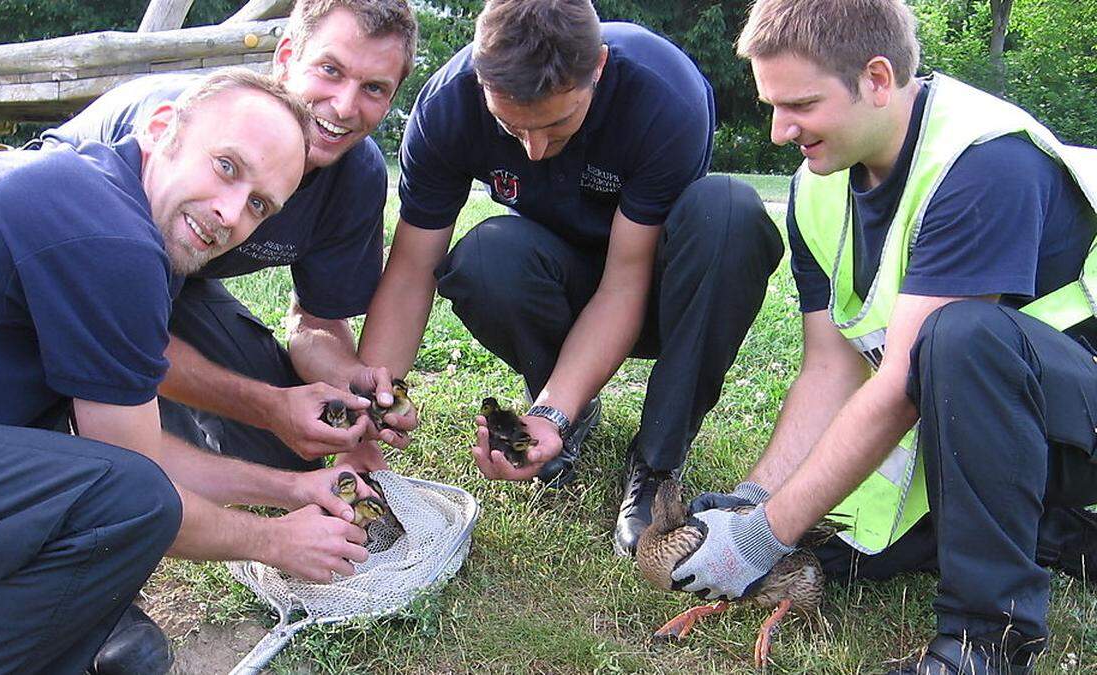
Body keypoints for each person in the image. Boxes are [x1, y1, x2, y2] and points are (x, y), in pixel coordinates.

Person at [0, 69, 372, 674]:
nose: (230, 214)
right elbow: (140, 492)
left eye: (259, 205)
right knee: (130, 505)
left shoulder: (98, 190)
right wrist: (275, 542)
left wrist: (294, 489)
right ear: (159, 129)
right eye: (227, 166)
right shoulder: (110, 238)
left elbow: (135, 452)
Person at [671, 1, 1097, 672]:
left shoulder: (984, 161)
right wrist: (757, 497)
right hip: (1004, 426)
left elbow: (902, 381)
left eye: (801, 104)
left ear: (876, 77)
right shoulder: (818, 186)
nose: (780, 131)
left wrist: (760, 536)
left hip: (1079, 419)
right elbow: (829, 371)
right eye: (772, 105)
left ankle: (984, 645)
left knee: (961, 336)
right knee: (839, 553)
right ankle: (1055, 530)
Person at [356, 0, 782, 557]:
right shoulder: (448, 106)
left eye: (556, 122)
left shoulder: (664, 95)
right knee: (486, 257)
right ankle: (565, 417)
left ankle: (657, 462)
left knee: (729, 212)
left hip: (657, 288)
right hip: (559, 279)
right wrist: (367, 419)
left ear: (598, 68)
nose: (532, 148)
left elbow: (625, 280)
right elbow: (412, 267)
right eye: (511, 127)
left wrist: (550, 409)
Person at [42, 0, 421, 476]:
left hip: (175, 283)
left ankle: (151, 404)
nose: (345, 106)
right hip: (67, 277)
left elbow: (317, 321)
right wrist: (266, 404)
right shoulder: (192, 124)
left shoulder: (356, 175)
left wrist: (352, 386)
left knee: (283, 448)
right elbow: (114, 323)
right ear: (286, 56)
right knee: (111, 428)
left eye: (373, 88)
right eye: (330, 70)